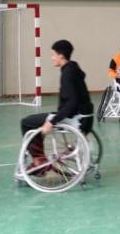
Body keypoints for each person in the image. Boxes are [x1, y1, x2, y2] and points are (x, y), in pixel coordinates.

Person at [20, 39, 93, 167]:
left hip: (75, 119)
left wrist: (52, 122)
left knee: (26, 122)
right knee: (37, 120)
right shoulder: (73, 68)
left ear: (61, 55)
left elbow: (72, 103)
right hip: (85, 118)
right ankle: (40, 156)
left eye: (53, 54)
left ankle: (38, 160)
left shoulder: (68, 73)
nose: (52, 58)